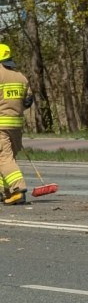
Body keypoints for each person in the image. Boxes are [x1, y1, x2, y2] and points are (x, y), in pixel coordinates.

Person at [0, 44, 34, 206]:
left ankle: (18, 190)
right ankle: (3, 191)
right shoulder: (21, 77)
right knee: (7, 158)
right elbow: (28, 101)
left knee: (3, 158)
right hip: (16, 126)